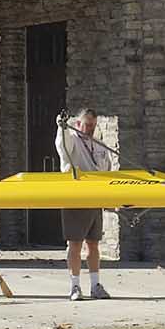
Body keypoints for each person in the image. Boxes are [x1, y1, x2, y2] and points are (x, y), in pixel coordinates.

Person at [57, 104, 111, 301]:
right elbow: (62, 145)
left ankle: (96, 285)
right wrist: (61, 126)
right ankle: (75, 286)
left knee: (94, 244)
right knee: (75, 244)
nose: (90, 129)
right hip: (76, 198)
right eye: (87, 125)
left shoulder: (98, 144)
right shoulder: (71, 140)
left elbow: (106, 168)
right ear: (78, 124)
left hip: (95, 198)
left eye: (93, 126)